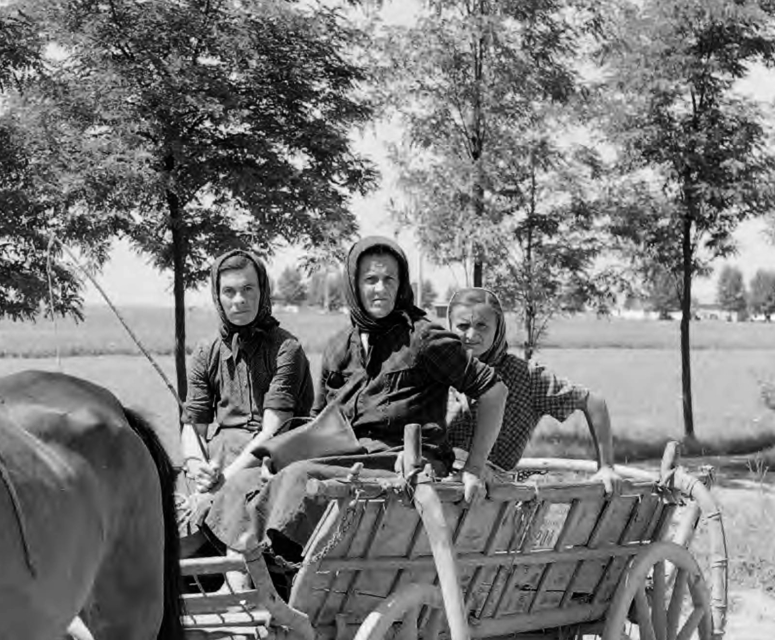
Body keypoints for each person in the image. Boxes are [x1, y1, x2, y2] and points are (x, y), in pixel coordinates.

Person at [206, 235, 507, 563]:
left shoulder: (423, 339)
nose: (380, 288)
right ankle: (240, 585)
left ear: (401, 283)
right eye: (370, 280)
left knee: (298, 478)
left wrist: (474, 468)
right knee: (244, 482)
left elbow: (494, 390)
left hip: (403, 464)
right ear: (353, 285)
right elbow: (316, 424)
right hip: (345, 458)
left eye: (389, 278)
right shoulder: (339, 347)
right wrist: (279, 457)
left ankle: (285, 578)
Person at [179, 247, 313, 525]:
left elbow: (272, 432)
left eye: (248, 289)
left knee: (238, 542)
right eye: (229, 291)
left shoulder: (287, 349)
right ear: (218, 297)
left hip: (272, 464)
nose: (239, 300)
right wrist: (198, 466)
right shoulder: (206, 352)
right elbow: (194, 427)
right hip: (220, 461)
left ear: (262, 291)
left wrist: (226, 478)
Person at [445, 288, 619, 493]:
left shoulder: (525, 377)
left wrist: (606, 467)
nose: (472, 335)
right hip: (439, 479)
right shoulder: (439, 369)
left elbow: (594, 402)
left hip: (493, 490)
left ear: (498, 328)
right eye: (463, 326)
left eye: (482, 326)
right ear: (449, 328)